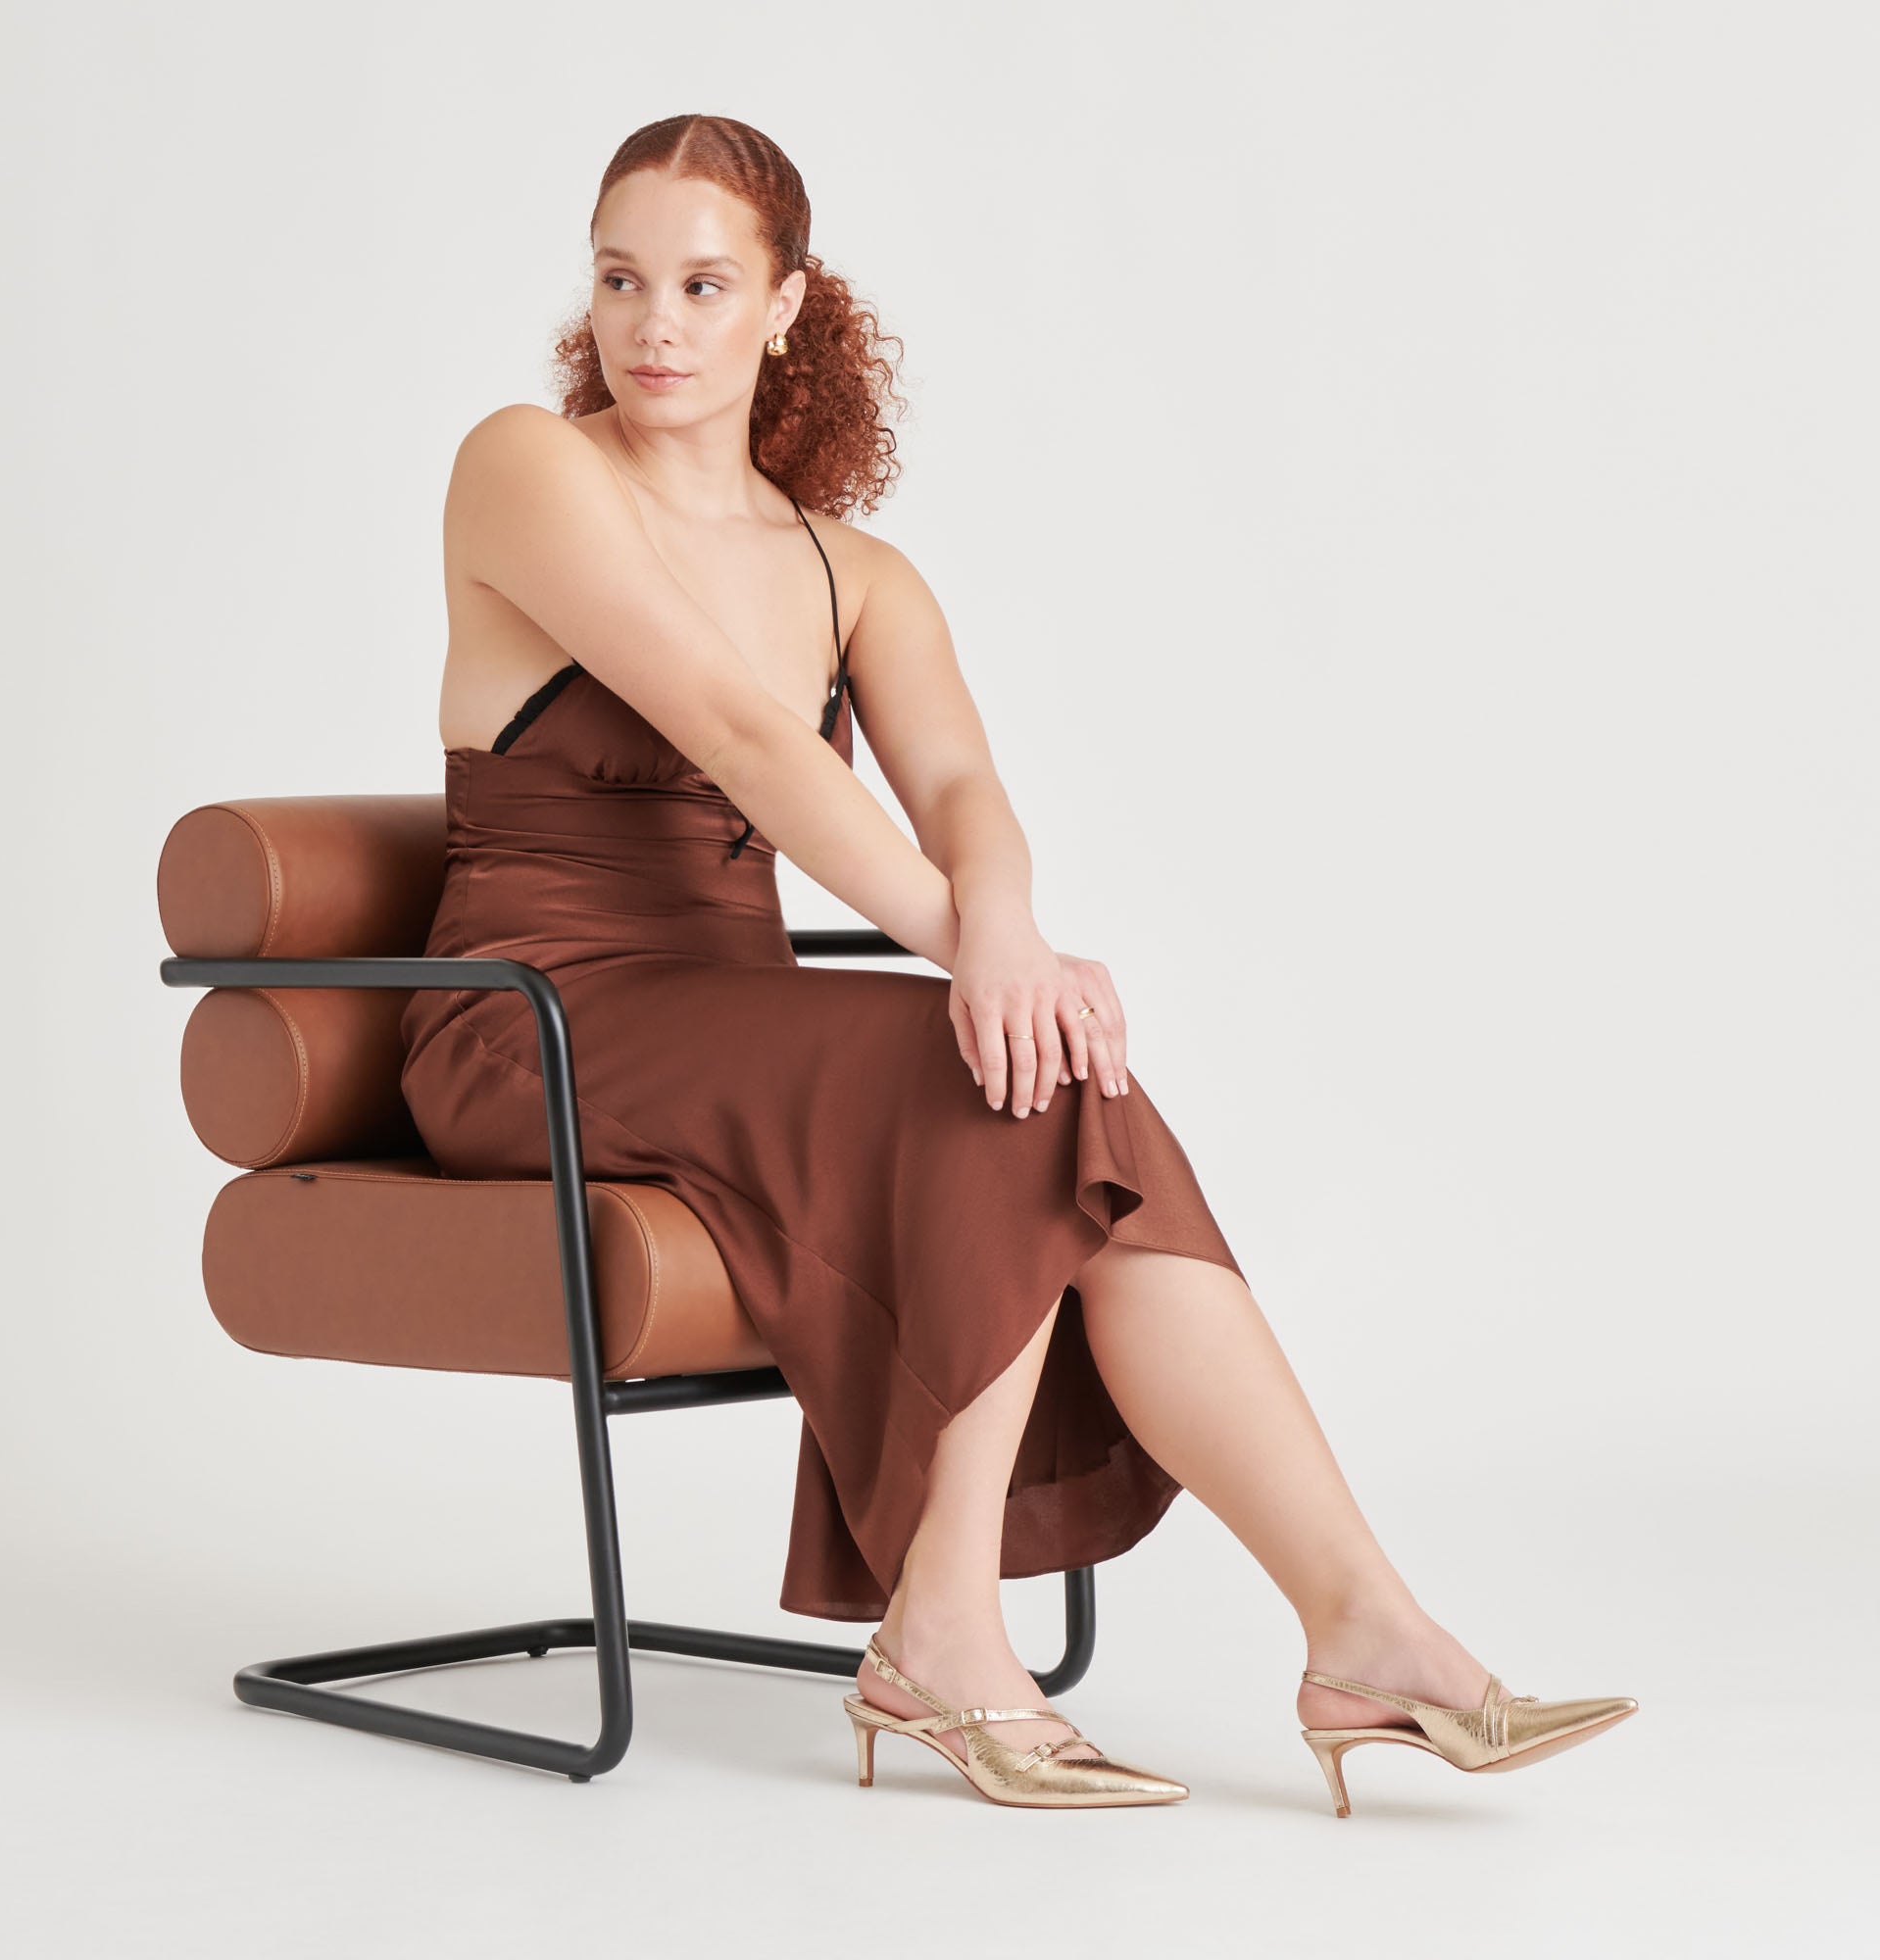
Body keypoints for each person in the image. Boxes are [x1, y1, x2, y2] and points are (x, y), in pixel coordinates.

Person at [399, 112, 1638, 1812]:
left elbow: (966, 790)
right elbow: (744, 739)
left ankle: (1354, 1627)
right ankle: (969, 1634)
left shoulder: (854, 572)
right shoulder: (528, 467)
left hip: (729, 1025)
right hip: (530, 1020)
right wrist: (977, 960)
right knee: (992, 1054)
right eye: (621, 280)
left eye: (702, 284)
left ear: (787, 303)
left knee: (1045, 1079)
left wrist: (1005, 935)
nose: (653, 325)